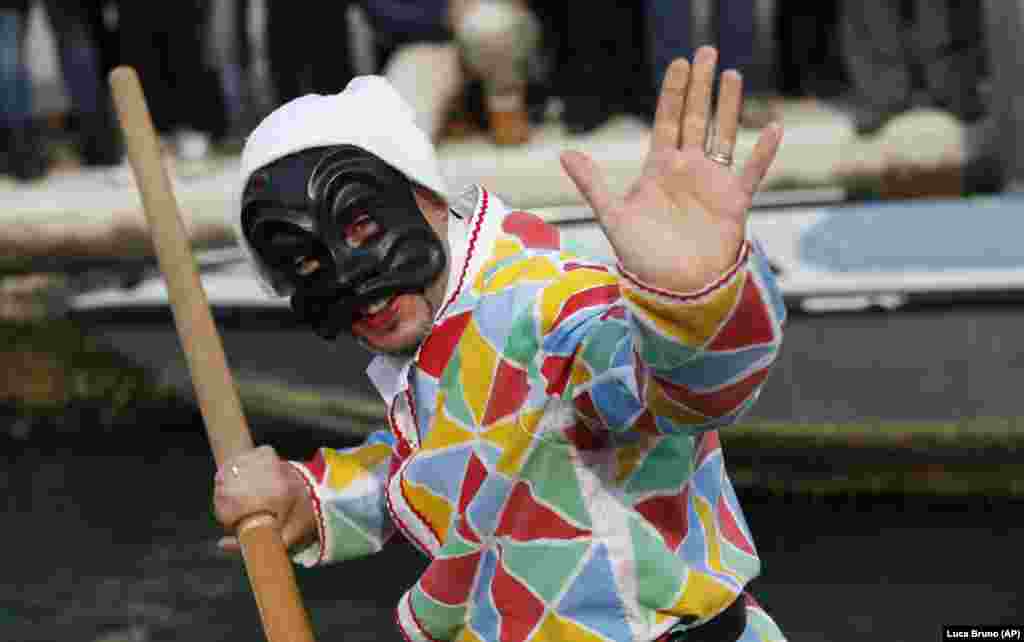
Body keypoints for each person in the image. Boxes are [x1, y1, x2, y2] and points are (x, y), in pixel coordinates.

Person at [214, 46, 788, 641]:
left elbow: (679, 387)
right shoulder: (444, 332)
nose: (350, 278)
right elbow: (441, 459)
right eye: (307, 264)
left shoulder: (544, 304)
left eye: (363, 229)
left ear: (428, 196)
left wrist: (696, 302)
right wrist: (307, 498)